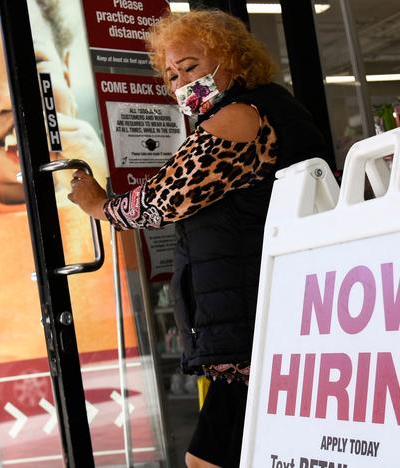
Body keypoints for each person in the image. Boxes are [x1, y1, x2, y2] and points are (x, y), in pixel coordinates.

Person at [68, 9, 328, 468]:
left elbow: (167, 196)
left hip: (255, 317)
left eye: (190, 66)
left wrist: (99, 206)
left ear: (233, 60)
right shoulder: (272, 108)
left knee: (210, 459)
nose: (181, 83)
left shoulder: (239, 118)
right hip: (269, 308)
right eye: (171, 75)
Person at [0, 0, 136, 365]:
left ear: (68, 78)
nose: (10, 98)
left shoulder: (121, 180)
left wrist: (95, 171)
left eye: (32, 65)